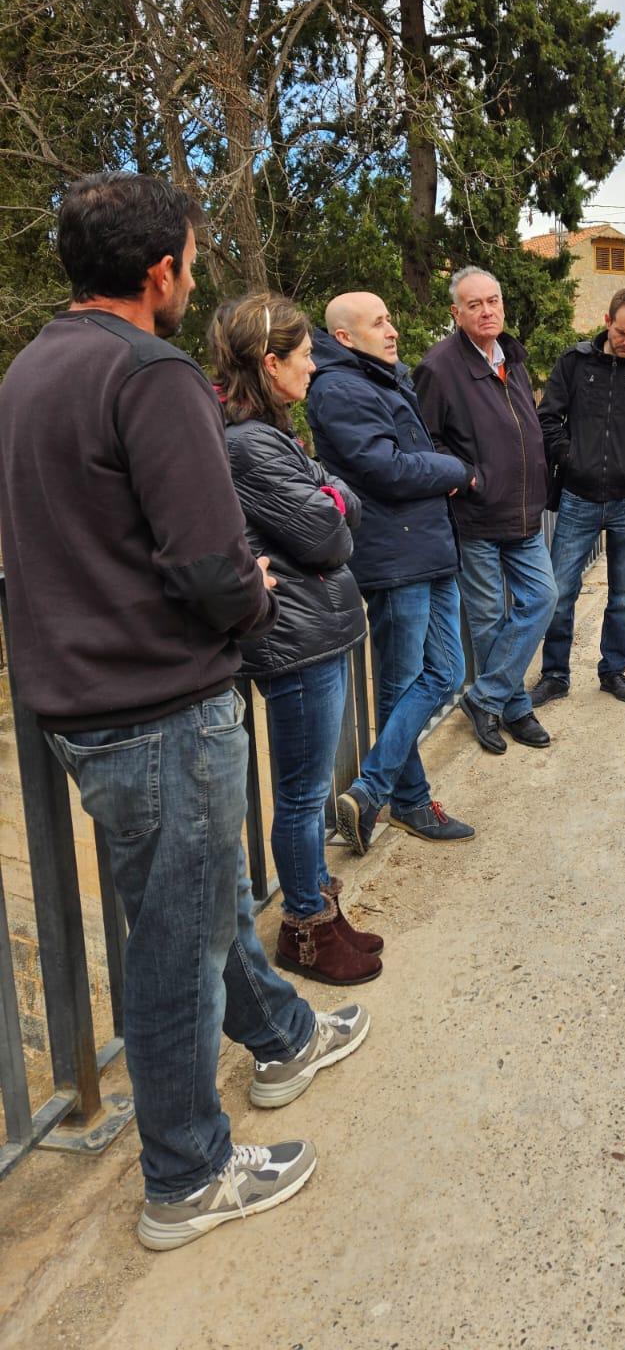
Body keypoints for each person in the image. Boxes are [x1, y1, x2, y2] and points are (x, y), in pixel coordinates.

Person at [0, 174, 368, 1251]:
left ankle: (285, 1034)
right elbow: (211, 562)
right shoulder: (150, 372)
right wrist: (254, 589)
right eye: (193, 262)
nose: (194, 277)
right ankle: (187, 1175)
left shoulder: (32, 365)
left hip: (80, 696)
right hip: (159, 701)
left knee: (190, 908)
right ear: (161, 272)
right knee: (174, 943)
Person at [209, 293, 382, 985]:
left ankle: (319, 910)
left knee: (307, 791)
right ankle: (305, 930)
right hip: (296, 641)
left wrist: (330, 496)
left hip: (313, 628)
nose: (314, 367)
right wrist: (331, 501)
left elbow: (338, 503)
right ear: (270, 362)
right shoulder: (250, 444)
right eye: (306, 355)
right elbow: (328, 533)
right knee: (305, 795)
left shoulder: (269, 433)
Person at [305, 292, 475, 850]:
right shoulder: (340, 388)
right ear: (346, 337)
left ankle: (377, 790)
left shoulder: (379, 379)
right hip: (395, 555)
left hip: (425, 547)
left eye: (390, 317)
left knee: (444, 674)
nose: (393, 329)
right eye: (379, 322)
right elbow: (386, 469)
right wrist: (453, 467)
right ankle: (402, 799)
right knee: (405, 683)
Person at [412, 268, 556, 755]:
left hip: (525, 511)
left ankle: (488, 698)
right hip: (477, 514)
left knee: (542, 599)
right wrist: (466, 476)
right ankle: (514, 708)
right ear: (456, 313)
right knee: (490, 617)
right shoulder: (438, 367)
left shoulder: (510, 355)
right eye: (474, 304)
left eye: (492, 300)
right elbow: (424, 440)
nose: (487, 310)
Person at [530, 286, 625, 707]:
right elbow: (547, 419)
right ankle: (555, 675)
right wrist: (570, 456)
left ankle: (613, 671)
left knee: (624, 594)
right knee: (560, 592)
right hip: (578, 497)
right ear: (607, 322)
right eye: (622, 333)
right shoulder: (574, 363)